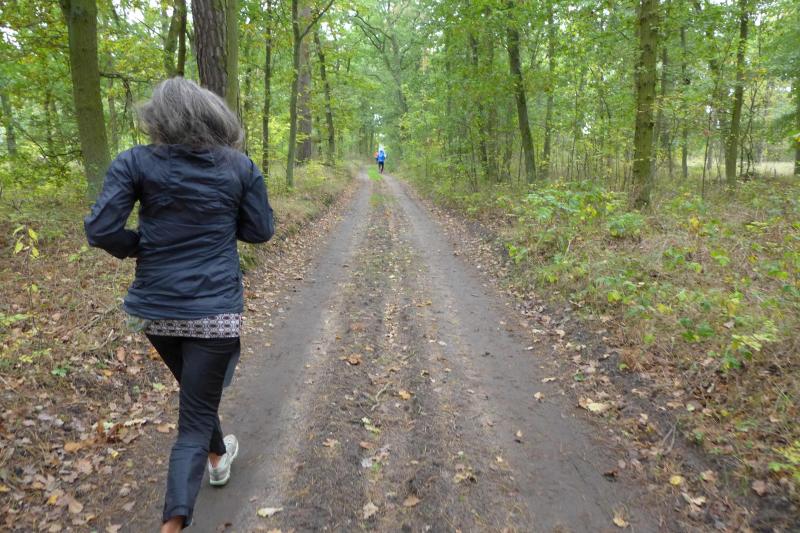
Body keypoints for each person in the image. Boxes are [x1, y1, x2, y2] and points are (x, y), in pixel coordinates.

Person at [84, 77, 274, 532]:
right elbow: (260, 230)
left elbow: (101, 230)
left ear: (158, 118)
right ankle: (173, 523)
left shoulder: (134, 162)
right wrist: (219, 224)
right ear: (214, 117)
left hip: (156, 311)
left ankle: (218, 457)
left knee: (195, 397)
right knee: (193, 421)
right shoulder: (240, 167)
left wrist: (138, 245)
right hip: (214, 311)